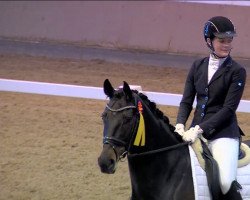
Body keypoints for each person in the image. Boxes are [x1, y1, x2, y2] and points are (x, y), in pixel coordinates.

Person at [175, 16, 246, 200]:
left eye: (229, 41)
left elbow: (228, 109)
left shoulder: (237, 71)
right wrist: (180, 124)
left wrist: (200, 129)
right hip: (193, 130)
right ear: (209, 41)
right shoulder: (197, 66)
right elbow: (186, 101)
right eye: (222, 41)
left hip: (223, 133)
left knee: (224, 182)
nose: (226, 45)